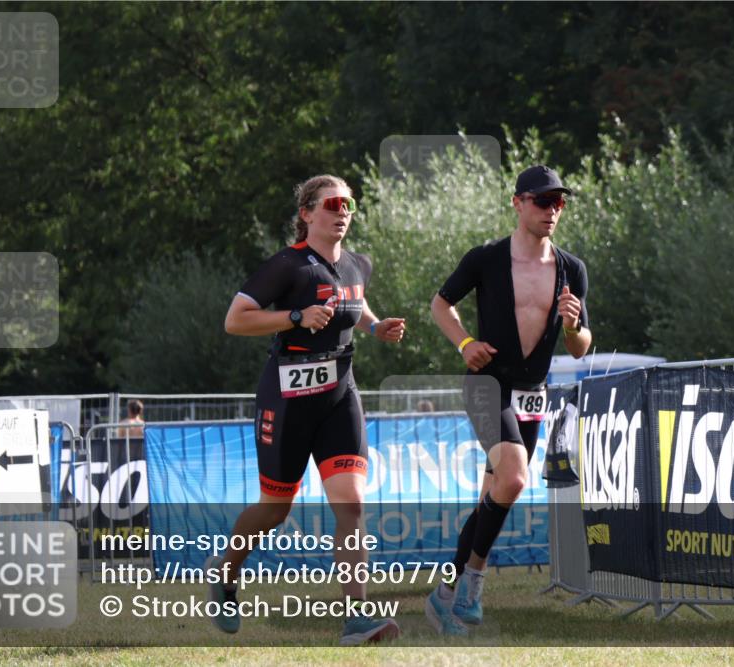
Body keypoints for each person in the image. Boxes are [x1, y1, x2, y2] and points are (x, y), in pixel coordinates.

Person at [210, 174, 406, 645]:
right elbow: (235, 320)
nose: (343, 212)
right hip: (288, 398)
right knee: (275, 509)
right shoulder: (287, 265)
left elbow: (354, 305)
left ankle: (357, 616)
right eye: (332, 204)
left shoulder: (359, 264)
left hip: (340, 395)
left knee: (352, 501)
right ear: (307, 214)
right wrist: (293, 317)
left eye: (349, 204)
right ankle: (226, 570)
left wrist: (377, 328)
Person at [426, 165, 591, 635]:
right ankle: (475, 580)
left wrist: (575, 324)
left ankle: (443, 597)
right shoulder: (486, 258)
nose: (552, 210)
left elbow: (581, 346)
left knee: (491, 498)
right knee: (515, 479)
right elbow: (441, 303)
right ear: (517, 203)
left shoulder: (571, 269)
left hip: (532, 395)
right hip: (486, 385)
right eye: (542, 201)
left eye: (559, 202)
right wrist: (463, 343)